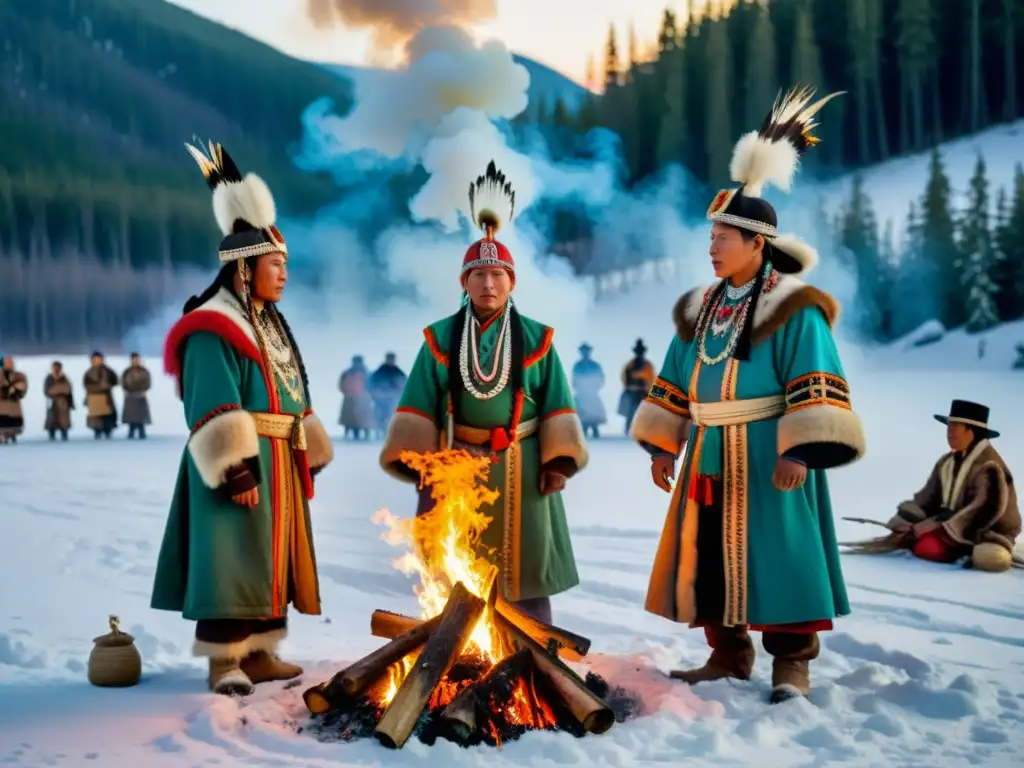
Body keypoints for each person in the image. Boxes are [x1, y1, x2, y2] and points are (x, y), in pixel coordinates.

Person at [630, 86, 866, 704]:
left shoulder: (794, 309)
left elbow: (816, 382)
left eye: (722, 239)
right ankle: (727, 652)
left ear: (757, 244)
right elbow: (676, 381)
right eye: (710, 238)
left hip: (770, 451)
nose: (711, 248)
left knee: (782, 553)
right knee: (708, 553)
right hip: (708, 449)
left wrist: (802, 451)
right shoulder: (700, 307)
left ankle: (793, 664)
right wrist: (662, 445)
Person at [151, 141, 334, 696]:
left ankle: (259, 656)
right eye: (276, 265)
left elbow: (291, 390)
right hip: (241, 461)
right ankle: (224, 662)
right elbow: (210, 400)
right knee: (231, 553)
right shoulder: (213, 324)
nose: (284, 274)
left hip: (278, 456)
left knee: (269, 558)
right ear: (245, 268)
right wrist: (235, 467)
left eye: (285, 265)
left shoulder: (271, 323)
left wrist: (309, 446)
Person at [379, 161, 589, 624]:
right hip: (458, 464)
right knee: (460, 568)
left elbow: (558, 403)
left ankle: (536, 651)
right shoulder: (439, 338)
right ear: (465, 282)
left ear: (512, 283)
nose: (488, 283)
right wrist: (422, 466)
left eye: (498, 275)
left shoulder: (537, 340)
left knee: (525, 570)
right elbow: (419, 405)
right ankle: (460, 651)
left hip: (526, 462)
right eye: (479, 275)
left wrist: (558, 462)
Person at [847, 400, 1019, 572]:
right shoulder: (946, 462)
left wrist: (938, 525)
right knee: (910, 537)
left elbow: (985, 509)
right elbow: (927, 498)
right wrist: (904, 520)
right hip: (950, 523)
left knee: (980, 556)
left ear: (972, 431)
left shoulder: (989, 466)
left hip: (986, 530)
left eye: (956, 426)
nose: (949, 432)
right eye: (949, 426)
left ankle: (970, 551)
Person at [618, 339, 654, 435]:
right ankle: (627, 429)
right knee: (630, 412)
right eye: (638, 351)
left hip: (643, 392)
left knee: (645, 413)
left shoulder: (647, 365)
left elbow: (651, 378)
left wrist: (648, 389)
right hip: (632, 391)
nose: (640, 353)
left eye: (641, 351)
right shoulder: (630, 365)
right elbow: (624, 377)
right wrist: (628, 387)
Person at [369, 352, 408, 438]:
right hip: (380, 398)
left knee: (391, 416)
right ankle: (379, 432)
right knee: (380, 416)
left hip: (392, 398)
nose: (391, 360)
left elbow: (404, 383)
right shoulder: (380, 371)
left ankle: (388, 433)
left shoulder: (398, 372)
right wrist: (375, 393)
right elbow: (372, 383)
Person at [572, 343, 606, 439]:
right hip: (582, 394)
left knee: (594, 414)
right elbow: (574, 380)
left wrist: (595, 387)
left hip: (592, 393)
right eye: (583, 352)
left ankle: (595, 431)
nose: (585, 353)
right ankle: (584, 433)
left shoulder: (595, 366)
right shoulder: (577, 366)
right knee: (582, 415)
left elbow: (601, 378)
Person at [339, 355, 375, 440]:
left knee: (365, 419)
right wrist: (346, 392)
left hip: (363, 398)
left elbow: (372, 385)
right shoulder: (347, 373)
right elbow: (341, 384)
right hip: (350, 398)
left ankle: (366, 434)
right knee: (350, 419)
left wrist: (368, 394)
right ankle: (350, 434)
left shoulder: (367, 373)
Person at [83, 351, 118, 438]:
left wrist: (108, 385)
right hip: (94, 397)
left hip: (106, 397)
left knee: (107, 416)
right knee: (96, 418)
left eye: (99, 359)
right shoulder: (89, 373)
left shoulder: (108, 371)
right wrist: (99, 387)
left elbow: (115, 381)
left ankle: (108, 431)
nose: (97, 361)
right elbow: (86, 385)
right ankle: (97, 431)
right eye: (95, 359)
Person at [122, 352, 152, 439]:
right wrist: (129, 389)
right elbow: (123, 382)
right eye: (133, 359)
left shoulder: (144, 371)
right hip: (130, 396)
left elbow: (147, 383)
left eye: (137, 359)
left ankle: (142, 432)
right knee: (131, 416)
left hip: (140, 396)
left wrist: (140, 389)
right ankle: (131, 431)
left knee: (141, 417)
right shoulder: (127, 371)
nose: (135, 361)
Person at [44, 361, 75, 441]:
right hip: (52, 403)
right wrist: (60, 389)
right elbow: (47, 391)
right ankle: (52, 437)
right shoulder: (49, 378)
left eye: (58, 368)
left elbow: (68, 389)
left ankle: (64, 437)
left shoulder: (64, 378)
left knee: (64, 422)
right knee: (51, 421)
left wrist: (56, 389)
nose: (57, 370)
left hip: (64, 404)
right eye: (55, 368)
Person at [0, 356, 27, 444]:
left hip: (14, 406)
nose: (9, 365)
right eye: (7, 363)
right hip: (2, 407)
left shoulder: (19, 375)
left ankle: (12, 436)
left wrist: (13, 389)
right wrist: (9, 389)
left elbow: (22, 388)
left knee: (13, 424)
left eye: (10, 363)